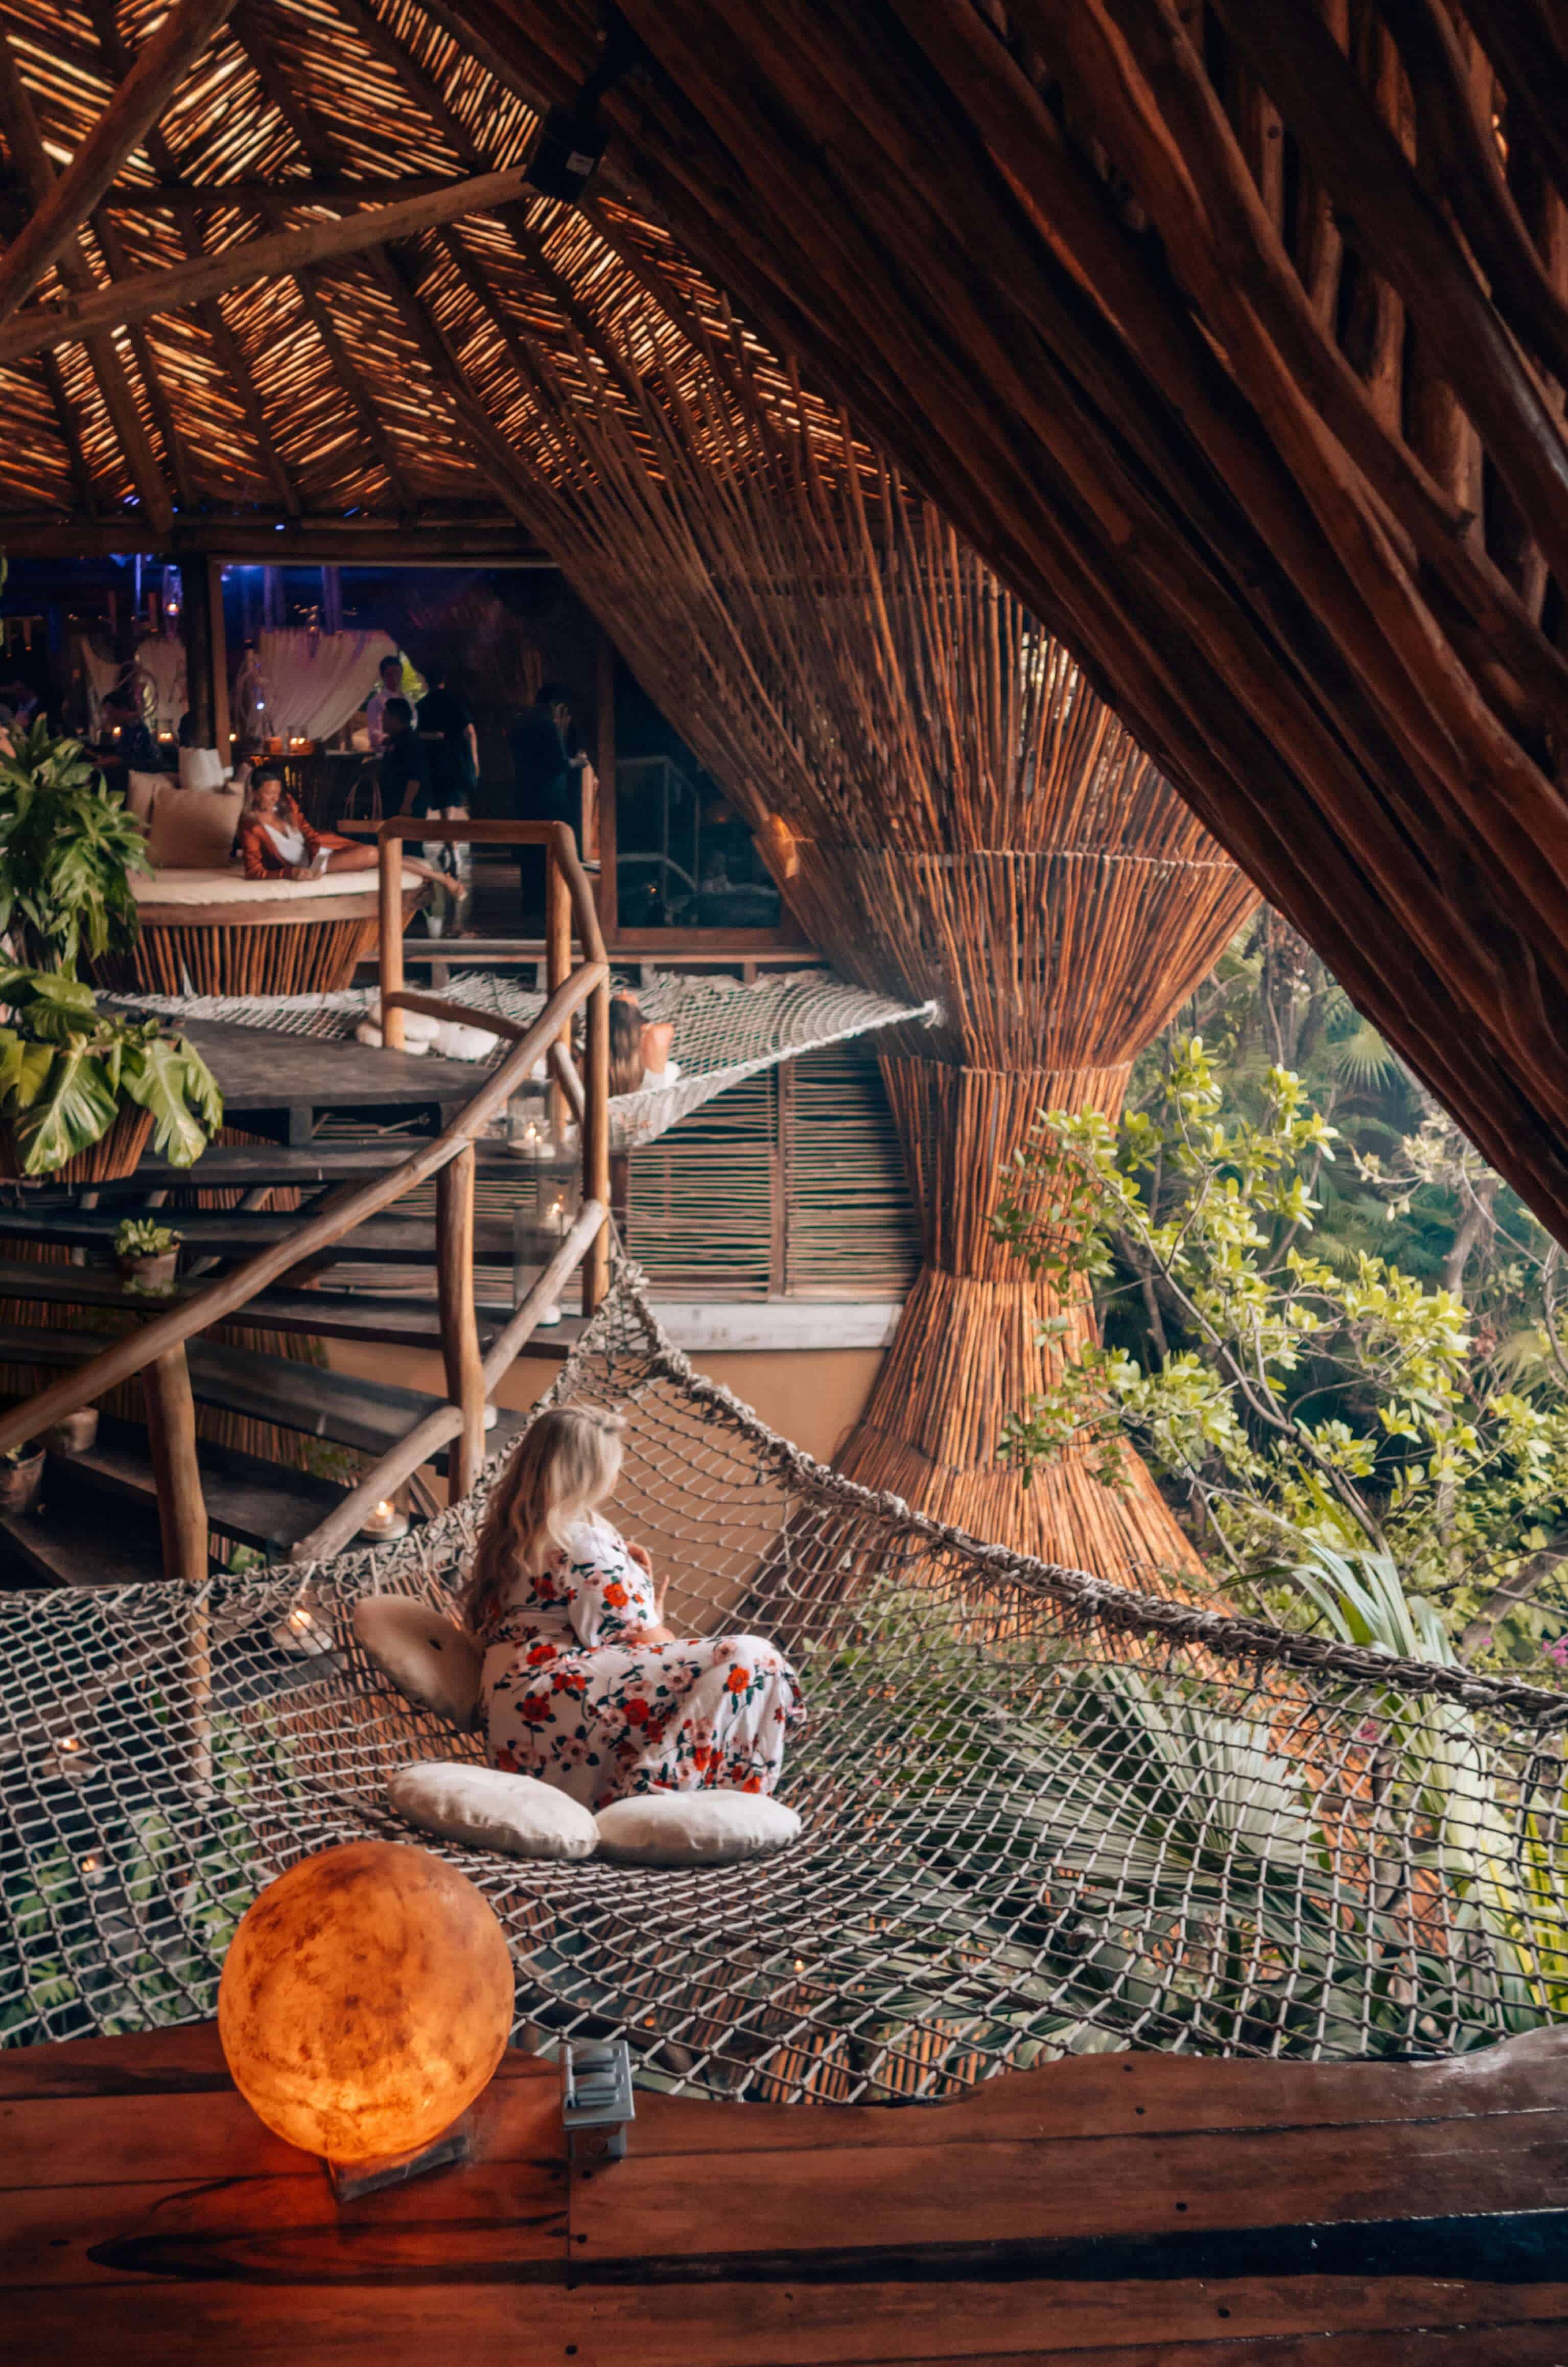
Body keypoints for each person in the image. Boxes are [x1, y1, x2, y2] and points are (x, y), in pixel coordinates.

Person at [467, 1405, 805, 1809]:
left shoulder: (512, 1534)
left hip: (517, 1724)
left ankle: (665, 1789)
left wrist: (635, 1589)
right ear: (591, 1476)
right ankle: (662, 1798)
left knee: (727, 1668)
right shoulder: (583, 1540)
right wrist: (652, 1613)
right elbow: (647, 1641)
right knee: (755, 1657)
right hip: (555, 1705)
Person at [508, 680, 589, 911]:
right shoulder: (546, 725)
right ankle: (544, 900)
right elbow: (558, 763)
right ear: (556, 705)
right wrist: (578, 762)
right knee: (547, 849)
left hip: (525, 791)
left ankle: (530, 897)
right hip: (548, 796)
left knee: (529, 847)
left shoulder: (521, 721)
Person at [236, 766, 378, 880]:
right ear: (253, 793)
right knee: (372, 854)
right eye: (270, 793)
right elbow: (253, 871)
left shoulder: (286, 805)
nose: (275, 798)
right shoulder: (250, 826)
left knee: (383, 855)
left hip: (320, 855)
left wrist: (316, 856)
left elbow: (309, 833)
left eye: (278, 793)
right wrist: (290, 873)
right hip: (306, 867)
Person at [609, 990, 677, 1096]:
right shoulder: (656, 1033)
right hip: (651, 1101)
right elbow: (669, 1030)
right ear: (634, 1012)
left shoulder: (604, 1041)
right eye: (628, 995)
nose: (624, 990)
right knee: (673, 1068)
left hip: (620, 1098)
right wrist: (644, 1025)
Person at [378, 696, 431, 817]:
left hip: (407, 808)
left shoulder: (411, 742)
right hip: (393, 804)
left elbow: (415, 777)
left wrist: (407, 804)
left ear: (395, 718)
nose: (382, 720)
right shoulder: (395, 739)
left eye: (385, 716)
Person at [365, 653, 405, 749]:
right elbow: (375, 735)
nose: (394, 678)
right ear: (383, 677)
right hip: (388, 753)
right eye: (390, 675)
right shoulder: (376, 703)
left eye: (397, 674)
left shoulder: (409, 701)